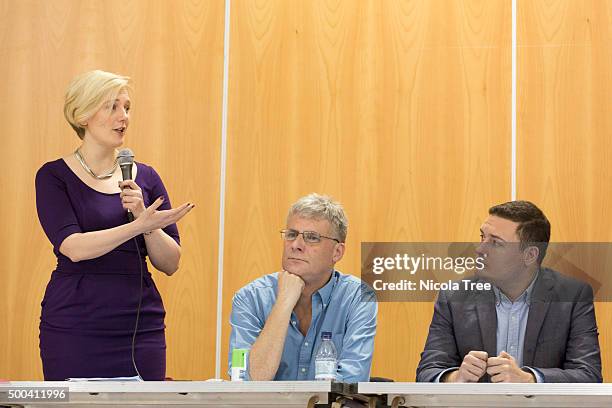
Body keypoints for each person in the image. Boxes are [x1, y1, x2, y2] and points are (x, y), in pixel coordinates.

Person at [35, 70, 194, 380]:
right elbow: (74, 248)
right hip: (75, 325)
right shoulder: (53, 177)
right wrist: (137, 226)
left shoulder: (145, 177)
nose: (124, 117)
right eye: (112, 107)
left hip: (140, 326)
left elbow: (171, 262)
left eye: (127, 107)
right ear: (82, 116)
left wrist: (142, 219)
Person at [416, 200, 601, 383]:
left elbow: (588, 375)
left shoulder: (573, 296)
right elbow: (427, 373)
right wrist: (456, 377)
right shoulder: (454, 297)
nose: (480, 249)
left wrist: (530, 379)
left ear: (529, 255)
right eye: (482, 237)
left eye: (496, 243)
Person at [228, 193, 377, 382]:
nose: (296, 245)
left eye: (312, 237)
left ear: (337, 252)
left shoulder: (358, 297)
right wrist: (283, 303)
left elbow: (350, 383)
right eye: (291, 235)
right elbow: (248, 383)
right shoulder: (250, 298)